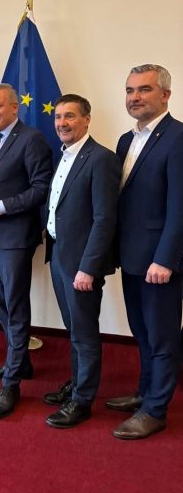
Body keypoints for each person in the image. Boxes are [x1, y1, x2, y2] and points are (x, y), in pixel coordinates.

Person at [107, 64, 183, 440]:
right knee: (141, 330)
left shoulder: (178, 138)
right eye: (129, 90)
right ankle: (145, 392)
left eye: (144, 90)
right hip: (132, 255)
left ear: (165, 95)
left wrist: (165, 259)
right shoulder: (126, 140)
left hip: (159, 261)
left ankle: (155, 411)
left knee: (162, 336)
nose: (134, 97)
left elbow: (180, 206)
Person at [0, 83, 52, 419]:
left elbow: (41, 188)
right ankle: (21, 362)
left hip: (16, 238)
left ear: (15, 107)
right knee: (1, 302)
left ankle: (12, 382)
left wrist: (2, 206)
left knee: (15, 306)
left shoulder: (32, 140)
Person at [43, 94, 121, 428]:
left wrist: (88, 267)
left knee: (85, 333)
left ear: (87, 119)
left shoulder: (101, 159)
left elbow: (105, 219)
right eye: (58, 117)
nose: (62, 123)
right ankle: (76, 384)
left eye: (70, 116)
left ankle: (83, 400)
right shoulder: (63, 156)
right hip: (59, 254)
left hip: (81, 264)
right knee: (73, 328)